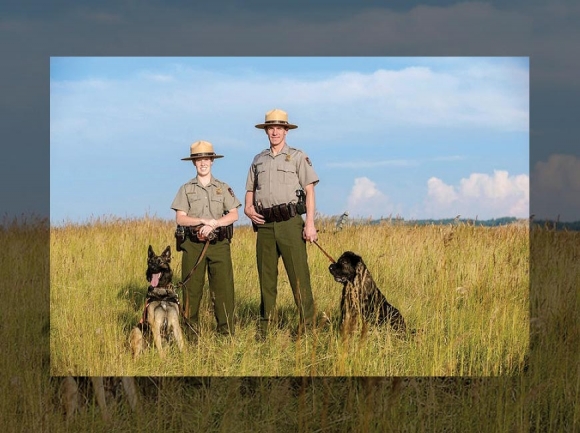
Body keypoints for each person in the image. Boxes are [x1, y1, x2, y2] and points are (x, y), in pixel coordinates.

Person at [244, 108, 319, 339]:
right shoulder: (258, 160)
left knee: (299, 275)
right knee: (266, 278)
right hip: (265, 225)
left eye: (279, 128)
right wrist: (248, 209)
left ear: (286, 131)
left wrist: (310, 224)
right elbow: (250, 190)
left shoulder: (297, 157)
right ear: (266, 131)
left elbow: (309, 191)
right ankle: (266, 328)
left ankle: (307, 326)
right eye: (271, 128)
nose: (275, 132)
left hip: (290, 223)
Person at [171, 140, 241, 338]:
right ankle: (190, 335)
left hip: (219, 244)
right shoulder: (185, 189)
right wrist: (201, 221)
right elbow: (180, 217)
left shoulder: (223, 187)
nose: (203, 163)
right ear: (194, 162)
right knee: (191, 290)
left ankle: (226, 334)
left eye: (206, 159)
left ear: (212, 160)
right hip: (193, 245)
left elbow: (234, 214)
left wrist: (214, 224)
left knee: (223, 290)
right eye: (199, 159)